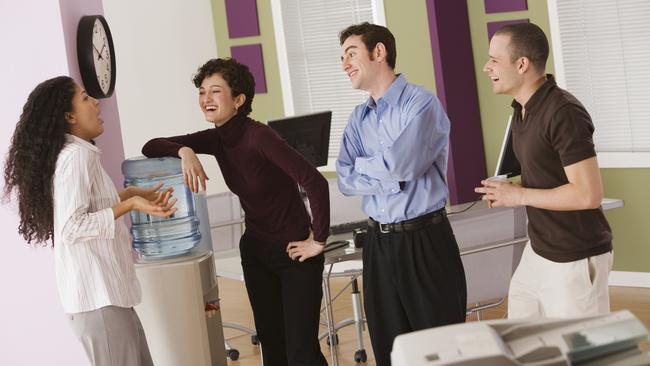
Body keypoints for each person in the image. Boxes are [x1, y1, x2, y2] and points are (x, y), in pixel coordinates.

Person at [141, 58, 330, 366]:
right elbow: (151, 145)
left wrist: (318, 240)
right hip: (256, 251)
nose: (206, 99)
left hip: (295, 253)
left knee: (301, 353)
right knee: (273, 347)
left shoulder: (259, 136)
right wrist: (184, 151)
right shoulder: (217, 138)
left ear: (239, 100)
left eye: (215, 91)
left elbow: (315, 182)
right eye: (202, 92)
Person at [3, 76, 177, 366]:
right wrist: (131, 204)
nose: (96, 102)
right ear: (69, 116)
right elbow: (72, 227)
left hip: (108, 299)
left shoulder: (81, 154)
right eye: (85, 98)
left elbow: (92, 209)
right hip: (99, 303)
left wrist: (131, 194)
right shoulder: (75, 158)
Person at [336, 22, 467, 366]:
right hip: (378, 244)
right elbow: (345, 178)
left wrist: (375, 167)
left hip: (424, 240)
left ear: (378, 52)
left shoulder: (421, 104)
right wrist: (387, 169)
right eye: (342, 58)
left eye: (351, 54)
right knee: (389, 349)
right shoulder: (358, 118)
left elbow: (402, 167)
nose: (344, 64)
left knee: (441, 350)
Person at [475, 23, 613, 319]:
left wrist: (519, 196)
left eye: (494, 59)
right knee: (524, 342)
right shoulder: (521, 109)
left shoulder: (563, 112)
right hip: (538, 251)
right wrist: (506, 190)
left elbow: (589, 194)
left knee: (583, 354)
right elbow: (546, 171)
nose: (487, 67)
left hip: (574, 256)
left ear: (522, 64)